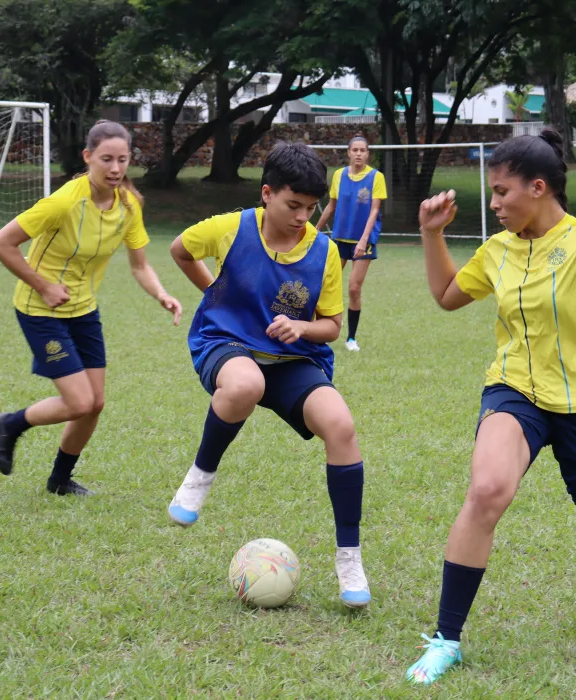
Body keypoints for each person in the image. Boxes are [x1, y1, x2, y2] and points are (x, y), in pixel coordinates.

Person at [405, 96, 576, 684]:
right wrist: (430, 235)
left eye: (501, 192)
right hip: (515, 391)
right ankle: (447, 639)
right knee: (488, 489)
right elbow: (447, 297)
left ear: (539, 187)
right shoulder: (496, 251)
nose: (493, 203)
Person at [167, 142, 371, 609]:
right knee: (244, 384)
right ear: (266, 194)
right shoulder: (230, 228)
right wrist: (214, 292)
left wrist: (302, 327)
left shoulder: (324, 253)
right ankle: (200, 476)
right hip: (228, 344)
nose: (302, 216)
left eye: (310, 207)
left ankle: (349, 558)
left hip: (293, 359)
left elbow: (334, 327)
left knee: (341, 425)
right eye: (292, 205)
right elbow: (180, 250)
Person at [0, 120, 182, 496]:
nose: (115, 168)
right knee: (78, 402)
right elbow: (1, 243)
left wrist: (161, 294)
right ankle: (11, 423)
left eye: (122, 160)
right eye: (106, 159)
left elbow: (140, 265)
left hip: (83, 311)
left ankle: (60, 480)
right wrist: (42, 285)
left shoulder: (128, 205)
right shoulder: (63, 202)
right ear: (88, 157)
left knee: (95, 404)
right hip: (40, 310)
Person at [313, 135, 386, 352]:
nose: (358, 154)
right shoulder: (339, 175)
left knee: (354, 288)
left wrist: (364, 239)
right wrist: (315, 230)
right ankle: (321, 330)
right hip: (340, 239)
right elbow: (331, 206)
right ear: (348, 152)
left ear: (367, 153)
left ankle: (351, 338)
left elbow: (374, 210)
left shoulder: (376, 177)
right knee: (324, 284)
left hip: (363, 241)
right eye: (355, 150)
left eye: (363, 150)